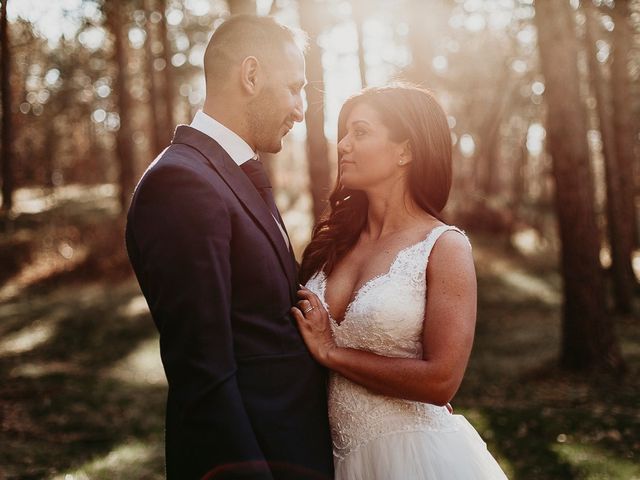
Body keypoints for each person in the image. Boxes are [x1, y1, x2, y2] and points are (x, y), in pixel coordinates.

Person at [125, 14, 333, 480]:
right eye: (294, 88)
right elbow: (203, 373)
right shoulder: (182, 183)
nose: (301, 109)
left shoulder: (231, 173)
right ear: (252, 75)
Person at [292, 85, 508, 479]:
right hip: (334, 460)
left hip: (416, 459)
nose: (342, 145)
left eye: (360, 132)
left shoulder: (443, 246)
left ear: (404, 151)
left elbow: (442, 380)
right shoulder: (331, 245)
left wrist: (332, 353)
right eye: (345, 133)